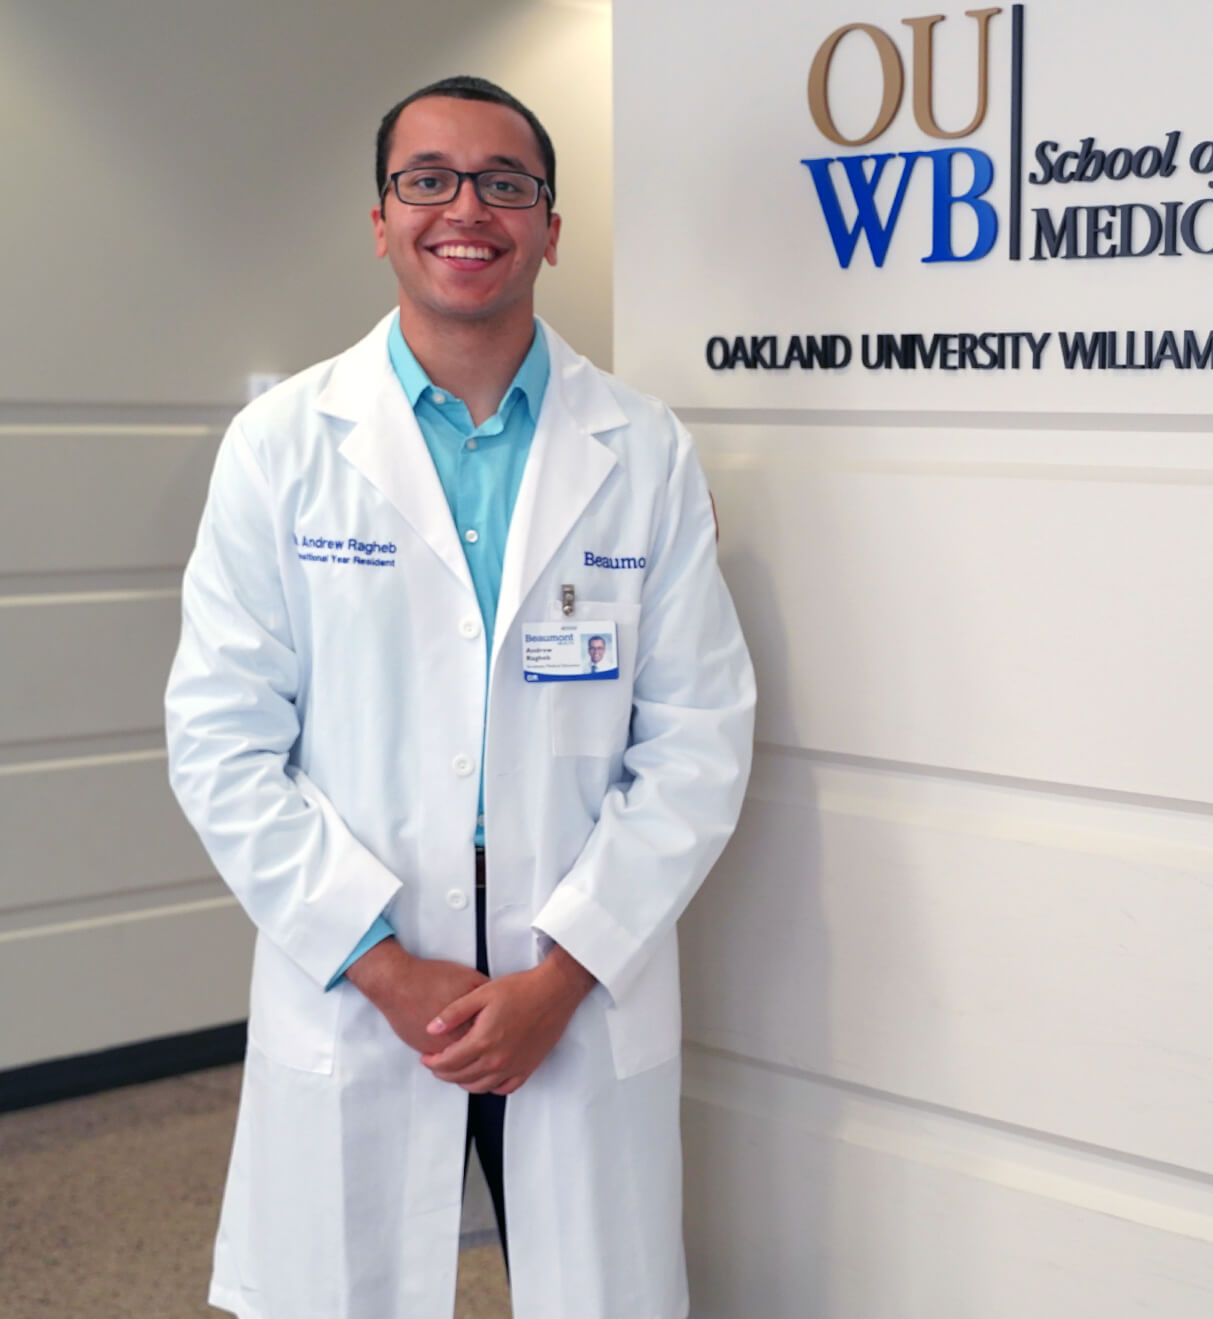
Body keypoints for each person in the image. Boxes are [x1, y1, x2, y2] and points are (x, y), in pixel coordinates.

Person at [165, 75, 754, 1319]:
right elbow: (221, 744)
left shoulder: (640, 449)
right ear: (381, 220)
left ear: (549, 223)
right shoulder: (283, 447)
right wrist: (381, 964)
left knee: (589, 1289)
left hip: (571, 987)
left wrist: (565, 971)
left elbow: (699, 738)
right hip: (372, 982)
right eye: (427, 179)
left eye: (504, 182)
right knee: (353, 1283)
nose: (465, 208)